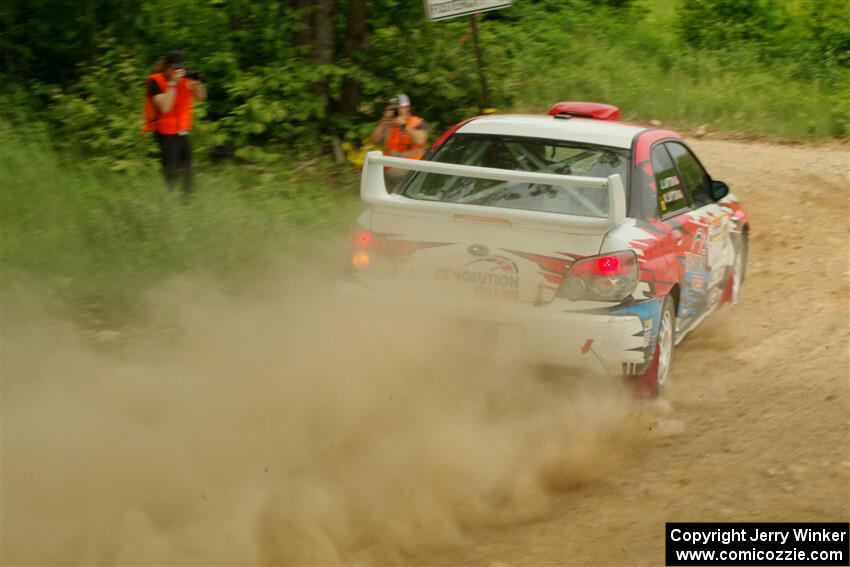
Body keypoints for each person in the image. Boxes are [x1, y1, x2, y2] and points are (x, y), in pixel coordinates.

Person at [143, 50, 206, 197]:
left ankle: (188, 199)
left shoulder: (186, 80)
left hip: (182, 129)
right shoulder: (155, 81)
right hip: (165, 131)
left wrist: (196, 83)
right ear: (168, 68)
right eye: (176, 68)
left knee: (188, 165)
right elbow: (165, 108)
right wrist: (172, 84)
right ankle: (168, 196)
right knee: (171, 168)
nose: (180, 71)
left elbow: (202, 96)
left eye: (181, 68)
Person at [370, 94, 428, 187]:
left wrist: (404, 125)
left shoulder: (418, 122)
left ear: (408, 108)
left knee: (397, 176)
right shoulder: (387, 123)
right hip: (390, 166)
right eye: (394, 108)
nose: (396, 111)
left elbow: (420, 141)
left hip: (413, 166)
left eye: (399, 108)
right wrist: (383, 122)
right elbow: (374, 140)